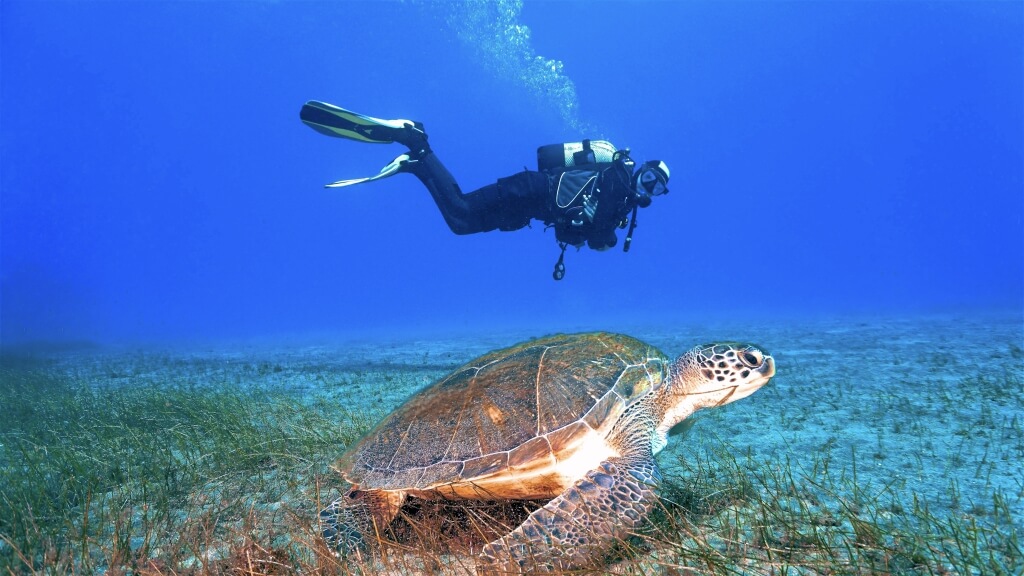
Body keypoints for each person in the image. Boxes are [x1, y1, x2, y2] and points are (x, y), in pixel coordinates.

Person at [300, 101, 671, 279]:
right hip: (529, 190)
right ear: (642, 169)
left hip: (529, 210)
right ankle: (414, 138)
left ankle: (416, 164)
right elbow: (599, 231)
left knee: (460, 224)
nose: (648, 185)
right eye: (650, 176)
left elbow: (572, 228)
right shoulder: (620, 177)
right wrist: (604, 238)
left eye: (657, 187)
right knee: (460, 209)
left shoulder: (622, 199)